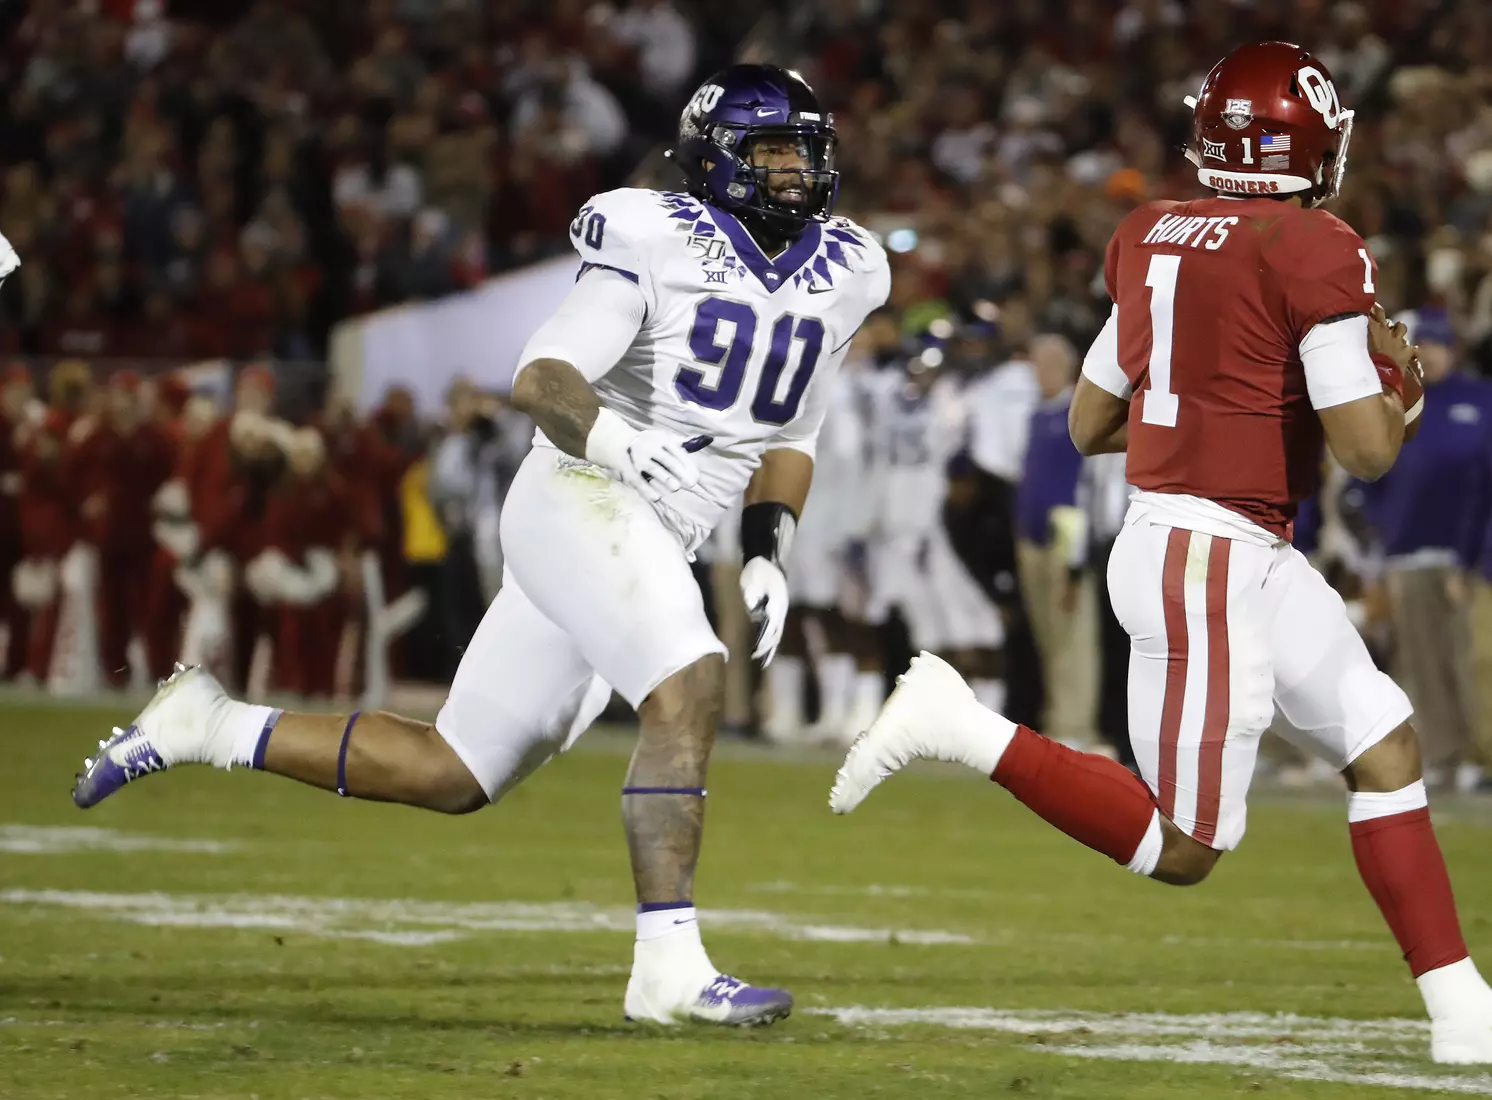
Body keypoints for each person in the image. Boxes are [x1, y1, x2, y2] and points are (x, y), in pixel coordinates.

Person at [74, 64, 890, 1027]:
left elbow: (794, 434)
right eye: (772, 152)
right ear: (718, 159)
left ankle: (208, 725)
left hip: (656, 534)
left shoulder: (852, 268)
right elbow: (541, 378)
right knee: (689, 679)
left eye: (804, 151)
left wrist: (768, 547)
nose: (795, 173)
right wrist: (626, 440)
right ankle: (667, 967)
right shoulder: (653, 235)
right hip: (583, 492)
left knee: (454, 772)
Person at [830, 41, 1492, 1064]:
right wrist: (1394, 391)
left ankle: (1463, 1013)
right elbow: (1364, 454)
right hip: (1208, 553)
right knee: (1184, 846)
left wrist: (1235, 392)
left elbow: (1094, 418)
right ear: (1308, 138)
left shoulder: (1150, 235)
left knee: (1384, 741)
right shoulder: (1313, 244)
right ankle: (960, 725)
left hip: (1223, 544)